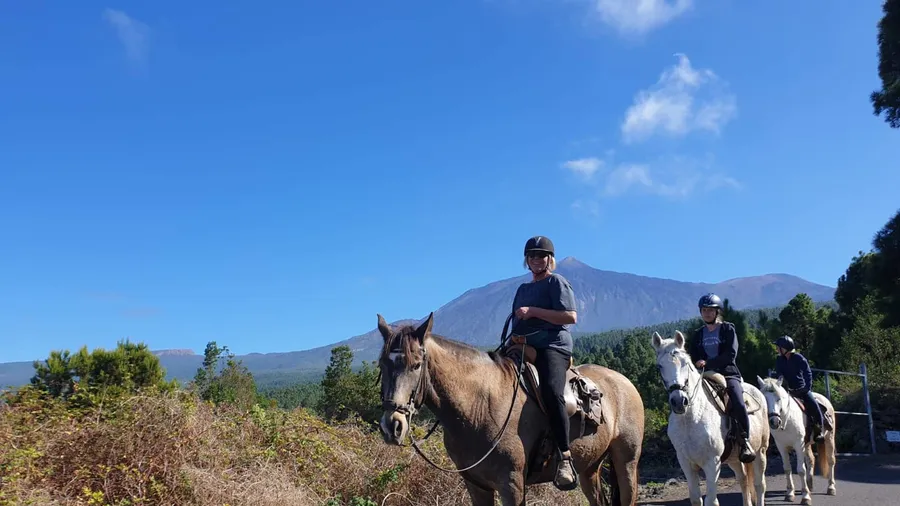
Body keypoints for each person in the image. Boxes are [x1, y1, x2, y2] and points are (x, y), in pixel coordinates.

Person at [509, 235, 579, 490]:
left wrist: (534, 312)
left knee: (551, 390)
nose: (536, 260)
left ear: (550, 259)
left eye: (541, 255)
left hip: (553, 345)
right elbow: (518, 319)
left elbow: (570, 316)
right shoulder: (522, 290)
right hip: (524, 345)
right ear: (526, 260)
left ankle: (565, 457)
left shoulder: (556, 282)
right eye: (532, 256)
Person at [689, 293, 756, 463]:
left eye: (710, 310)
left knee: (738, 401)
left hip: (727, 373)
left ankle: (745, 441)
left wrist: (708, 363)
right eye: (704, 310)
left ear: (717, 312)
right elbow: (694, 355)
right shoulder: (698, 334)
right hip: (705, 375)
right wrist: (697, 362)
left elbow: (730, 354)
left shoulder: (727, 329)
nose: (707, 313)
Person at [773, 335, 831, 442]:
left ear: (785, 348)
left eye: (778, 347)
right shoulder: (779, 360)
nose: (777, 349)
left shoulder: (798, 358)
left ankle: (820, 429)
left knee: (813, 404)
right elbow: (779, 374)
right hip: (788, 390)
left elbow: (807, 373)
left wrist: (806, 388)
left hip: (801, 389)